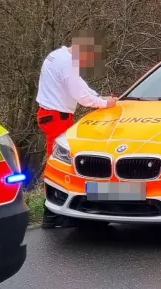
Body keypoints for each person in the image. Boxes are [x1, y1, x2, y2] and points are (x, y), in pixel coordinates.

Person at [36, 35, 111, 226]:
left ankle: (59, 210)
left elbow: (79, 86)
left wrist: (98, 96)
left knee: (59, 161)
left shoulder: (57, 55)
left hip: (50, 114)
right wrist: (103, 103)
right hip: (57, 117)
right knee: (60, 164)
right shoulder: (67, 64)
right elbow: (81, 95)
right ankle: (53, 212)